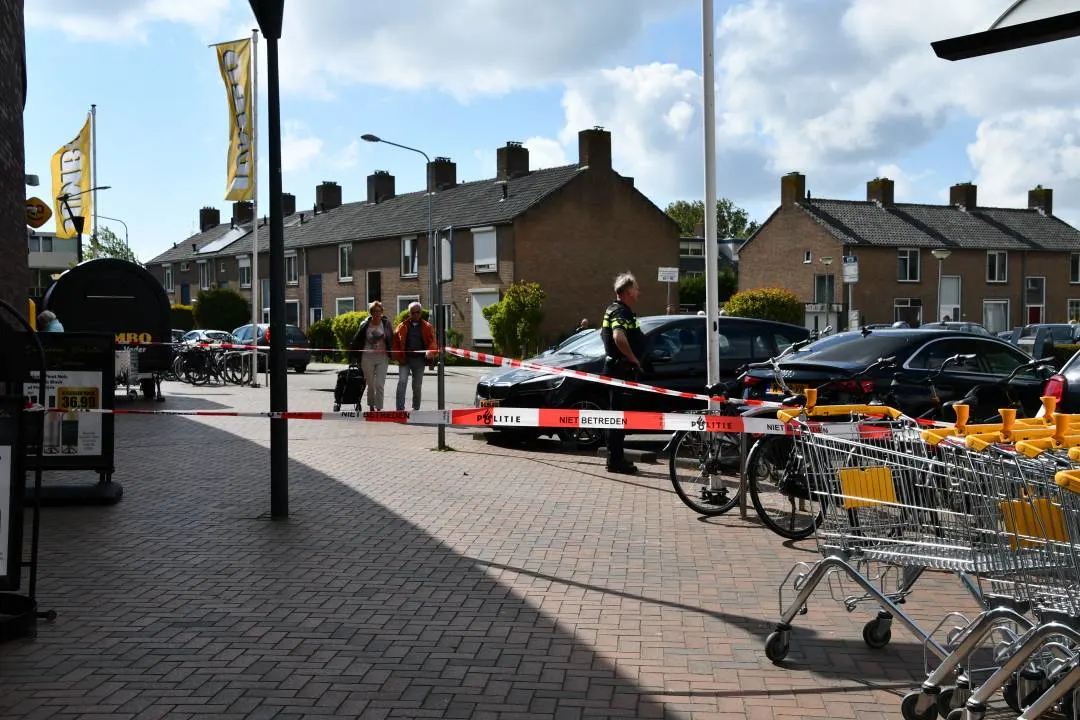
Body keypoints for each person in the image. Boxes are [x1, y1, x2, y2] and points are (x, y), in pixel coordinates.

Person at [601, 272, 646, 475]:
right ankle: (616, 461)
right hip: (620, 371)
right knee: (618, 418)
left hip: (616, 369)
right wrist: (633, 359)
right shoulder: (620, 312)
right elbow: (618, 337)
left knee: (617, 416)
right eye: (636, 288)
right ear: (628, 292)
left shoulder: (614, 309)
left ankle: (615, 458)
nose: (638, 292)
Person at [392, 301, 438, 411]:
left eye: (418, 312)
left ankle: (416, 408)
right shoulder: (402, 326)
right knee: (402, 382)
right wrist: (397, 356)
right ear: (409, 313)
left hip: (419, 360)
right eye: (413, 312)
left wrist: (430, 352)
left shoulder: (427, 327)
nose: (416, 314)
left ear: (421, 313)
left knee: (417, 386)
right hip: (405, 359)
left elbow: (433, 342)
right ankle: (400, 409)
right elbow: (395, 343)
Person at [350, 301, 393, 411]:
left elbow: (392, 338)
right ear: (371, 312)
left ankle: (379, 409)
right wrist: (355, 355)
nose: (377, 313)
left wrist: (387, 339)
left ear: (382, 312)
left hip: (382, 358)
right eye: (374, 311)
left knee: (379, 384)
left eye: (379, 311)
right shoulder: (365, 324)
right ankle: (371, 406)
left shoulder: (386, 323)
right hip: (367, 358)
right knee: (371, 385)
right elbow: (357, 339)